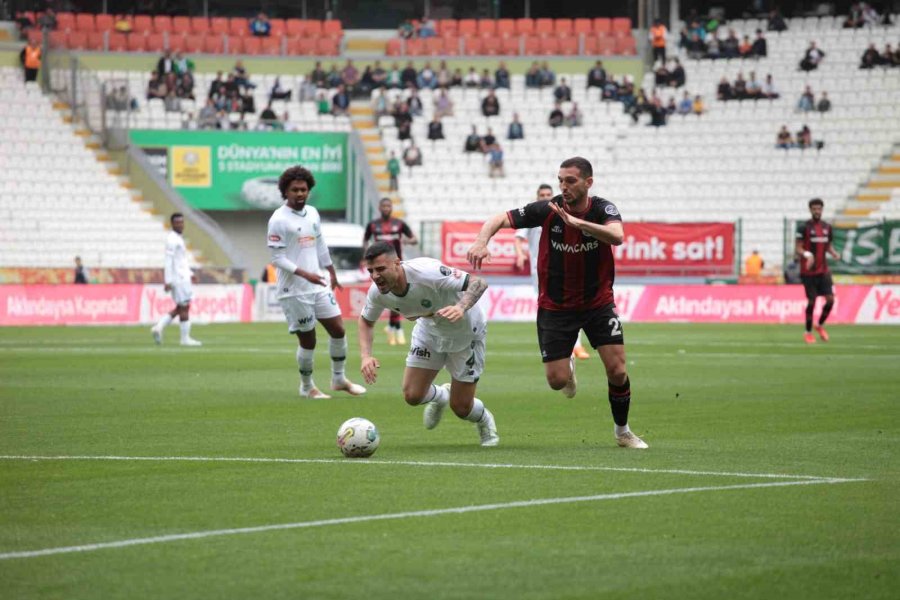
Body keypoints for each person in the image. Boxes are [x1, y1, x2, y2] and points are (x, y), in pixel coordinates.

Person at [467, 157, 648, 449]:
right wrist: (480, 241)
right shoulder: (547, 210)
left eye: (570, 181)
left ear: (588, 183)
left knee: (617, 370)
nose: (563, 186)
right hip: (555, 306)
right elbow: (499, 218)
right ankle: (569, 367)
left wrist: (580, 224)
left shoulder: (603, 209)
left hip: (597, 303)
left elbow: (617, 236)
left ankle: (623, 431)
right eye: (560, 180)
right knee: (556, 380)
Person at [358, 242, 499, 447]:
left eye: (381, 269)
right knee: (412, 396)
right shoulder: (377, 293)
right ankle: (441, 395)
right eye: (370, 271)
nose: (375, 276)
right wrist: (365, 356)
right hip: (429, 332)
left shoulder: (428, 272)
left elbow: (479, 283)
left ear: (397, 263)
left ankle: (485, 420)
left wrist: (460, 307)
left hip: (466, 333)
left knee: (461, 408)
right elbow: (366, 321)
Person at [266, 166, 367, 398]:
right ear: (285, 191)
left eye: (304, 189)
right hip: (293, 290)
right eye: (295, 190)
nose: (300, 194)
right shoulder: (278, 220)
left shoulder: (312, 212)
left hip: (317, 284)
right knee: (309, 340)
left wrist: (331, 270)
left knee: (338, 330)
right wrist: (305, 273)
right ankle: (306, 386)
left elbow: (320, 243)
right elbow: (277, 258)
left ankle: (339, 379)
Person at [514, 184, 591, 360]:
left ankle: (576, 345)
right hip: (538, 270)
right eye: (542, 194)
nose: (545, 197)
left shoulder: (561, 212)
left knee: (571, 304)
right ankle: (559, 344)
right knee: (548, 306)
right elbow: (519, 237)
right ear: (537, 196)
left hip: (561, 267)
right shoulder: (533, 214)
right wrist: (520, 254)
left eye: (548, 194)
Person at [363, 198, 418, 345]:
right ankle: (395, 327)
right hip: (380, 267)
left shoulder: (399, 224)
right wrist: (366, 257)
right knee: (389, 295)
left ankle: (394, 327)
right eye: (384, 206)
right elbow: (365, 240)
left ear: (392, 208)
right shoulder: (373, 225)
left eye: (389, 206)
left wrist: (405, 241)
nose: (386, 208)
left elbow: (414, 239)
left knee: (396, 294)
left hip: (396, 265)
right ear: (379, 208)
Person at [151, 213, 202, 346]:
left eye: (182, 222)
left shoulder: (178, 238)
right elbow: (169, 261)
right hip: (178, 279)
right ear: (172, 224)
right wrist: (168, 280)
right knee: (184, 307)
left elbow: (181, 261)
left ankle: (159, 327)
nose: (180, 225)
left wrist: (190, 273)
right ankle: (185, 339)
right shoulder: (172, 239)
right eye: (177, 222)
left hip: (183, 277)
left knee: (181, 307)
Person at [795, 198, 840, 344]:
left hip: (823, 270)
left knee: (831, 300)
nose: (817, 211)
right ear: (810, 210)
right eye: (814, 209)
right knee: (812, 302)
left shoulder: (827, 227)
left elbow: (827, 246)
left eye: (819, 208)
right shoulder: (803, 227)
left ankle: (819, 325)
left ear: (822, 210)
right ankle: (808, 332)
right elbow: (798, 248)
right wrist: (808, 255)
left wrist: (834, 253)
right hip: (808, 272)